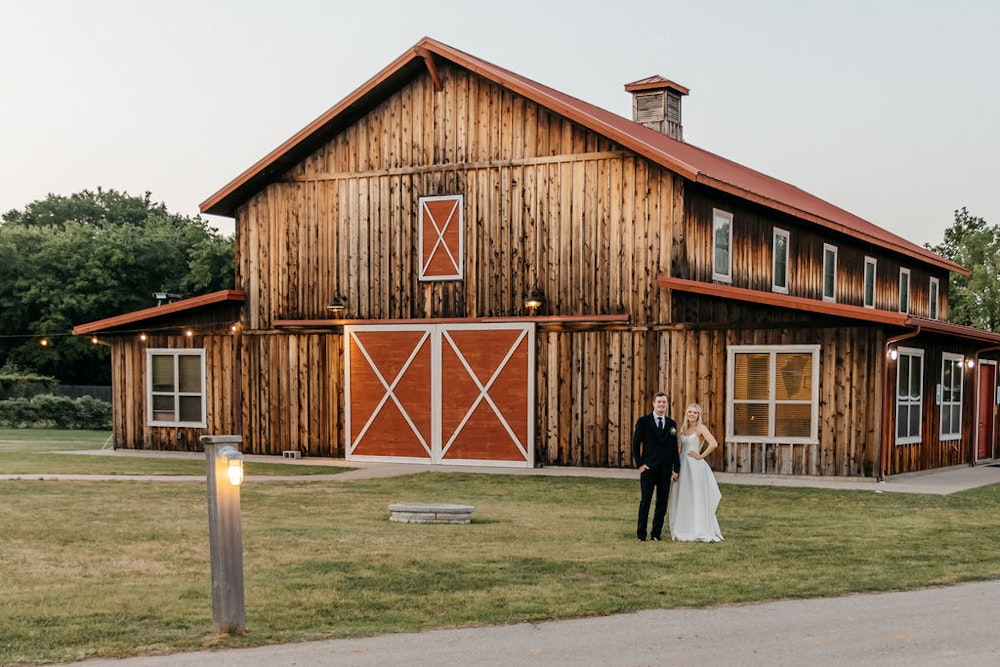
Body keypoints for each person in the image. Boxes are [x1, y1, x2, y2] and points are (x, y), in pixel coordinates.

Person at [668, 402, 723, 542]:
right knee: (683, 495)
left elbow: (714, 443)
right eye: (690, 412)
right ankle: (683, 527)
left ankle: (699, 528)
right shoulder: (683, 428)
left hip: (694, 465)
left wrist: (700, 455)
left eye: (695, 412)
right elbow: (679, 449)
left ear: (699, 415)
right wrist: (675, 467)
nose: (691, 414)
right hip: (683, 464)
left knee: (696, 495)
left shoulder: (701, 428)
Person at [632, 391, 680, 542]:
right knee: (645, 501)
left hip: (665, 470)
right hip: (648, 469)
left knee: (662, 503)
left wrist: (676, 469)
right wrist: (640, 464)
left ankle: (656, 534)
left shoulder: (672, 424)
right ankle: (641, 534)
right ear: (653, 403)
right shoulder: (644, 421)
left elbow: (674, 448)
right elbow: (635, 444)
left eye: (664, 402)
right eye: (659, 402)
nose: (661, 404)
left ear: (667, 405)